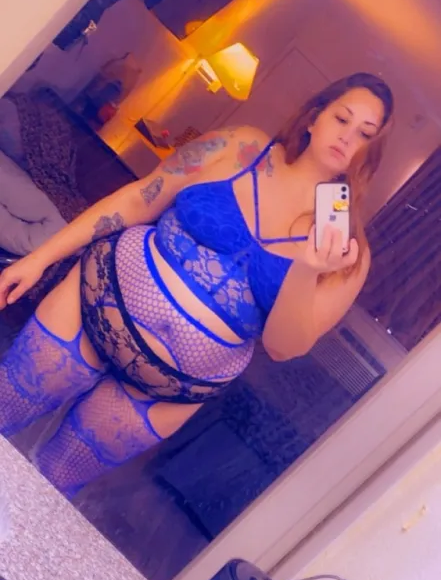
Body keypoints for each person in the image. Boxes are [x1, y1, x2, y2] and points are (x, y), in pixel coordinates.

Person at [0, 72, 394, 499]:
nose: (348, 137)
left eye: (365, 134)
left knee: (49, 482)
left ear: (371, 155)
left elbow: (283, 347)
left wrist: (306, 270)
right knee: (5, 407)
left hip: (167, 389)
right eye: (342, 119)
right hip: (95, 301)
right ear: (315, 118)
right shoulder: (239, 146)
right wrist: (41, 257)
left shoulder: (348, 252)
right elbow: (137, 199)